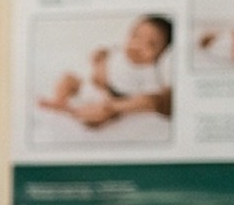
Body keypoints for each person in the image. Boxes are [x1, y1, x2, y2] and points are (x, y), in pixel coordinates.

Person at [37, 15, 173, 128]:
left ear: (161, 53)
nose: (138, 45)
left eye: (150, 44)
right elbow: (106, 53)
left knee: (101, 115)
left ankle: (75, 112)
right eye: (136, 36)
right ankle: (59, 100)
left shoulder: (150, 72)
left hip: (113, 97)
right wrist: (99, 56)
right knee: (68, 78)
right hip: (90, 84)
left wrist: (114, 105)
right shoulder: (119, 50)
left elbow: (147, 97)